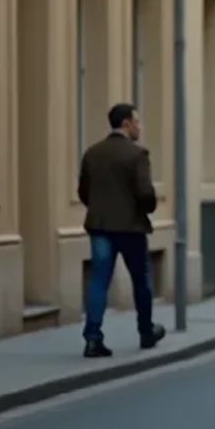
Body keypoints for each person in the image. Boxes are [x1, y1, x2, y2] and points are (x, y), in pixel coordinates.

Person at [77, 103, 166, 358]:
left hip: (100, 227)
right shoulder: (137, 155)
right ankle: (146, 332)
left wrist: (99, 209)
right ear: (126, 124)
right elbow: (145, 193)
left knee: (99, 282)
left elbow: (84, 191)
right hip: (131, 228)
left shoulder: (92, 153)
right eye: (137, 122)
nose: (140, 127)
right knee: (141, 281)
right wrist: (146, 207)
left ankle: (93, 339)